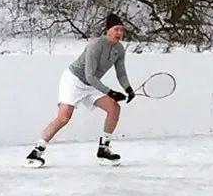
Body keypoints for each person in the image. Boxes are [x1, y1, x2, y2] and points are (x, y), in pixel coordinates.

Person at [25, 13, 135, 167]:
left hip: (91, 85)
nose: (120, 33)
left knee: (114, 108)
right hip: (73, 80)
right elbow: (89, 75)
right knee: (64, 117)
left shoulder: (119, 49)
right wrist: (110, 92)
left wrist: (128, 89)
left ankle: (104, 148)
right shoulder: (95, 46)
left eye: (122, 30)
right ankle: (37, 151)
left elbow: (121, 73)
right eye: (116, 29)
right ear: (108, 30)